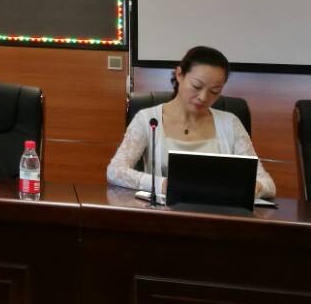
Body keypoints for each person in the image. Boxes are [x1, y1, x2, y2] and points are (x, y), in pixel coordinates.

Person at [107, 45, 275, 198]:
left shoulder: (230, 124)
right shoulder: (148, 119)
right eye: (196, 86)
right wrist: (163, 184)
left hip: (217, 214)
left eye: (214, 91)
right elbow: (115, 171)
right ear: (179, 74)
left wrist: (254, 188)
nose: (203, 97)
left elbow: (267, 184)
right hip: (164, 213)